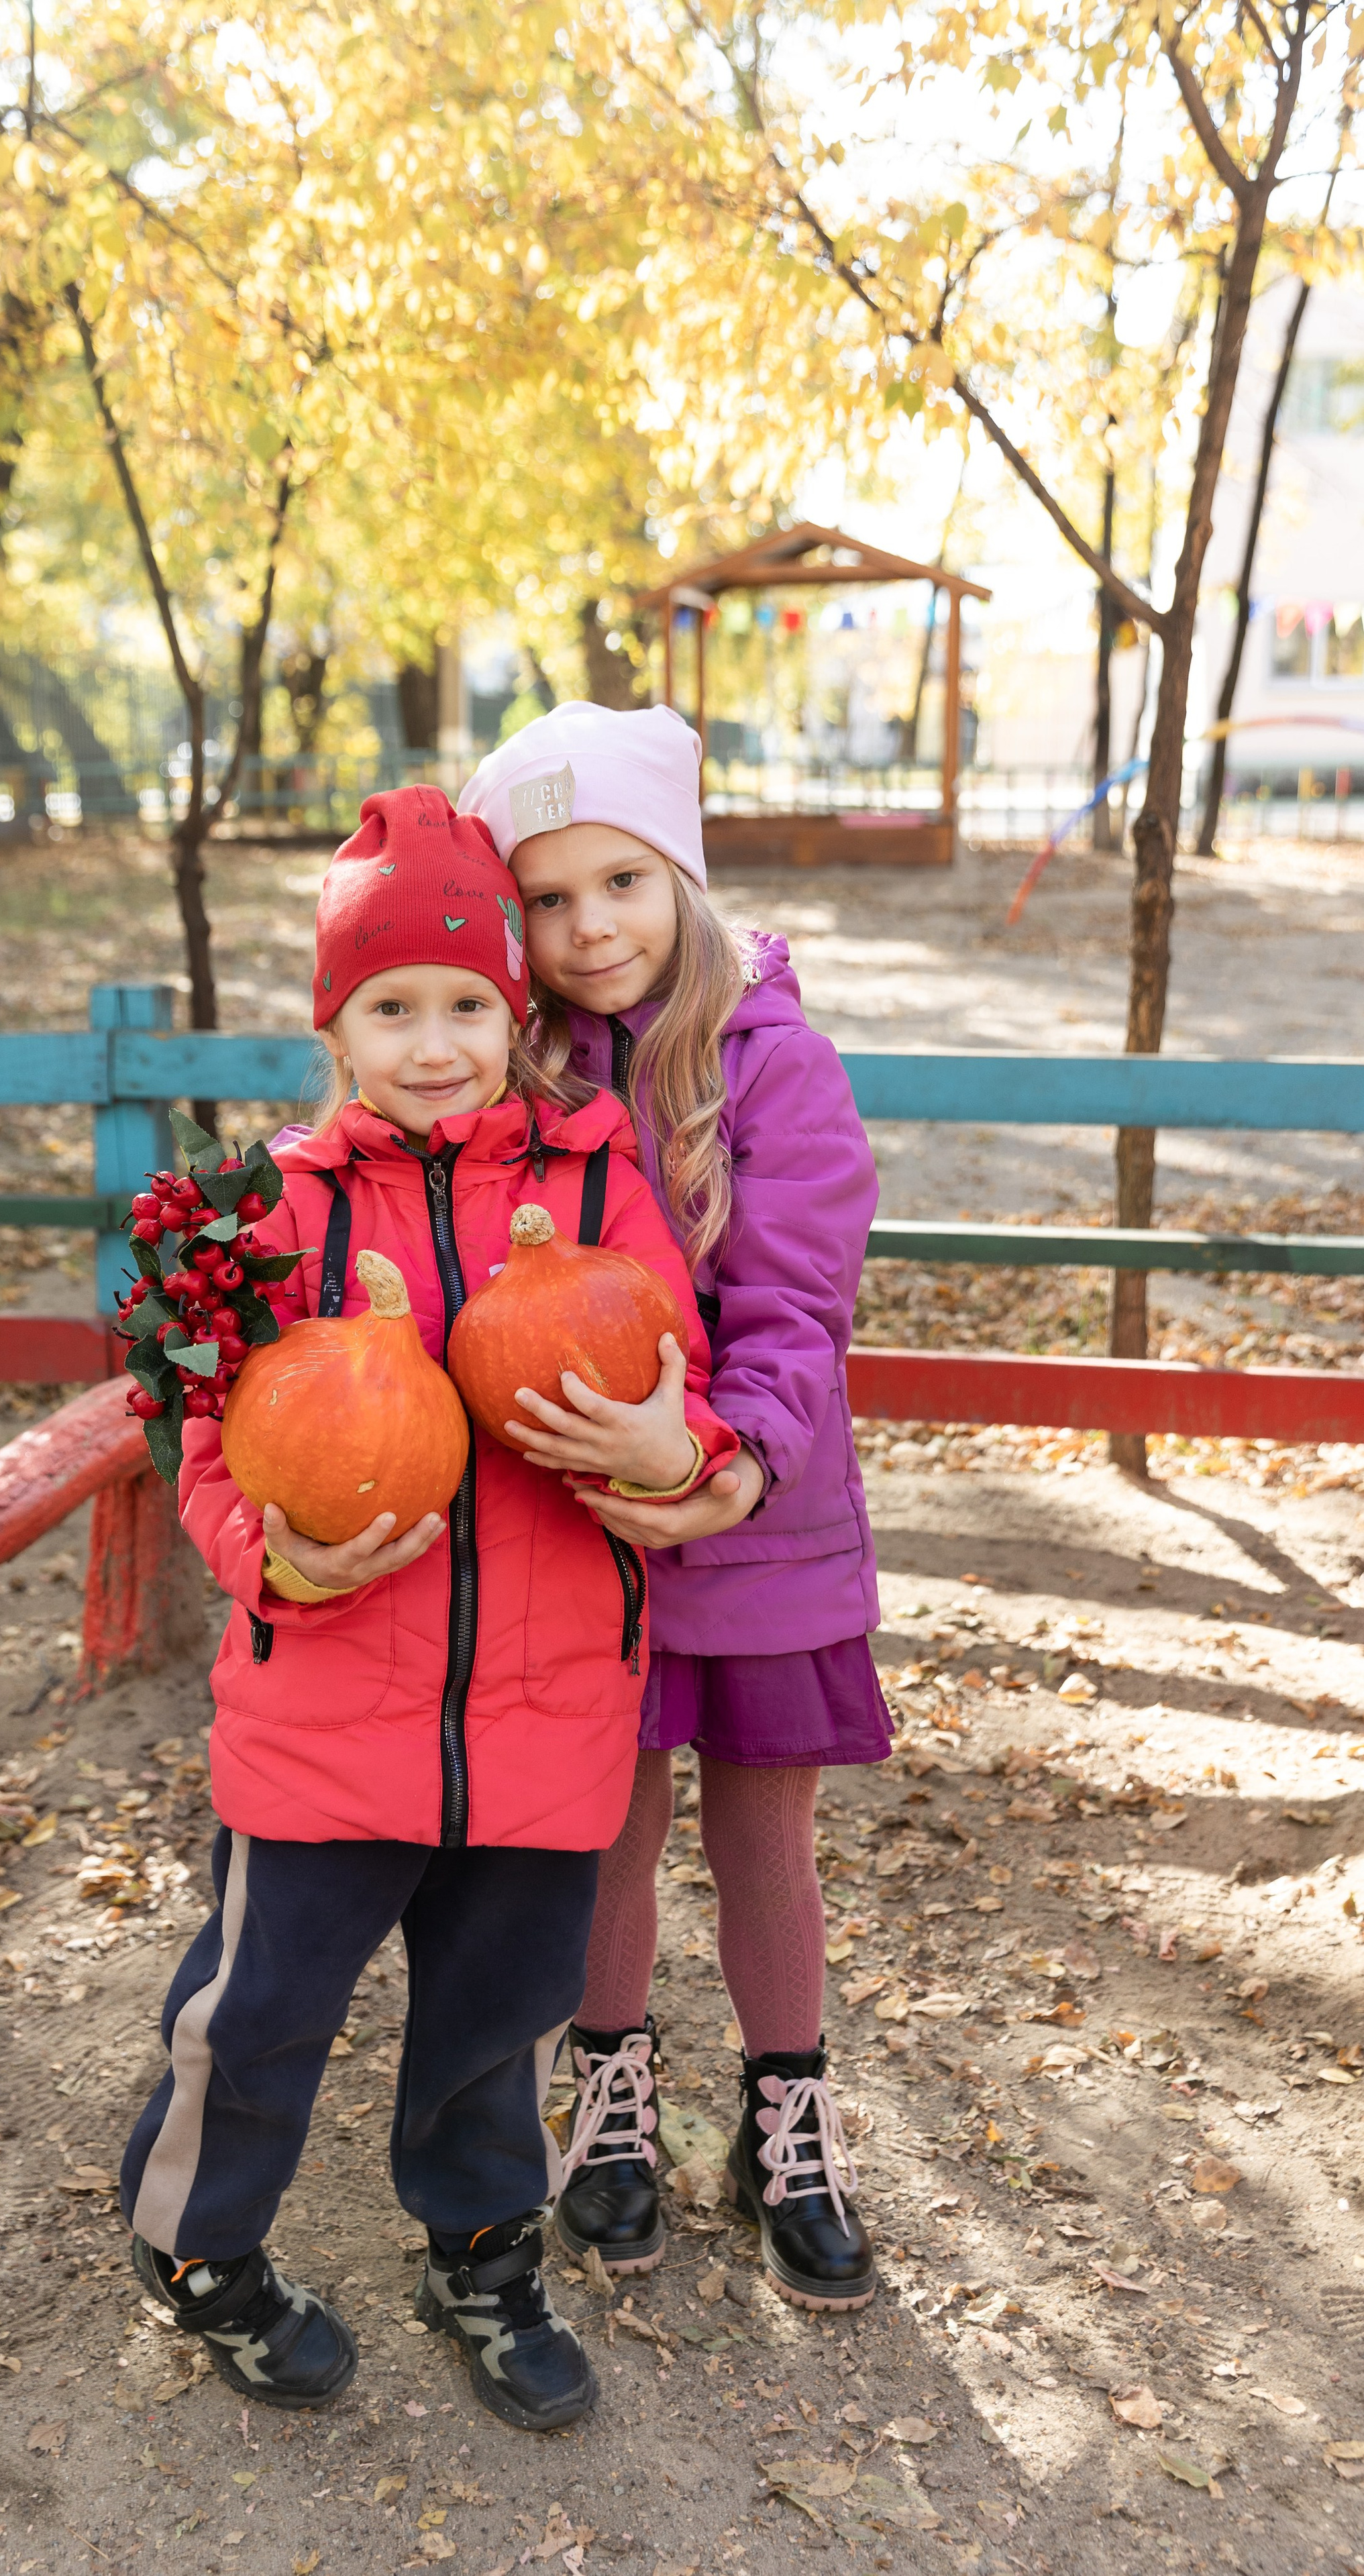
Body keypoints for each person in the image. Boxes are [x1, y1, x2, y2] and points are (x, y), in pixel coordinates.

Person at [119, 783, 740, 2429]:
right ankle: (199, 2248)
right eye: (390, 1007)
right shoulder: (270, 1214)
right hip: (324, 1709)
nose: (434, 1039)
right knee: (257, 2015)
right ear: (336, 1026)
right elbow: (208, 1446)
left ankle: (480, 2254)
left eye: (467, 1003)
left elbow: (687, 1389)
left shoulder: (604, 1191)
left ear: (515, 1009)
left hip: (546, 1723)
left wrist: (683, 1450)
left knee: (496, 2026)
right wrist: (272, 1563)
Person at [458, 704, 888, 2310]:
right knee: (609, 1831)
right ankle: (612, 2097)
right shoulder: (514, 1078)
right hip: (596, 1538)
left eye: (621, 882)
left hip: (755, 1521)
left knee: (763, 1835)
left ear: (682, 878)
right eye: (550, 900)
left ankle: (787, 2113)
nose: (590, 930)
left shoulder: (775, 1067)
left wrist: (724, 1469)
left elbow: (795, 1304)